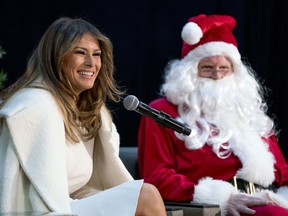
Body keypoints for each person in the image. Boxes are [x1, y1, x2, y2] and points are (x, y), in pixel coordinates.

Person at [0, 17, 166, 216]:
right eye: (80, 52)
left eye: (96, 55)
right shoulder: (36, 107)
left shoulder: (87, 110)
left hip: (72, 203)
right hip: (45, 211)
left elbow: (79, 186)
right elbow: (30, 197)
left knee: (142, 195)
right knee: (146, 197)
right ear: (56, 57)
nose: (91, 63)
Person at [138, 14, 288, 216]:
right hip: (213, 207)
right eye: (207, 68)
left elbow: (283, 172)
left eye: (224, 68)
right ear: (189, 73)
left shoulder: (249, 112)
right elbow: (157, 177)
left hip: (268, 199)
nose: (217, 75)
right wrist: (221, 198)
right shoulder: (161, 112)